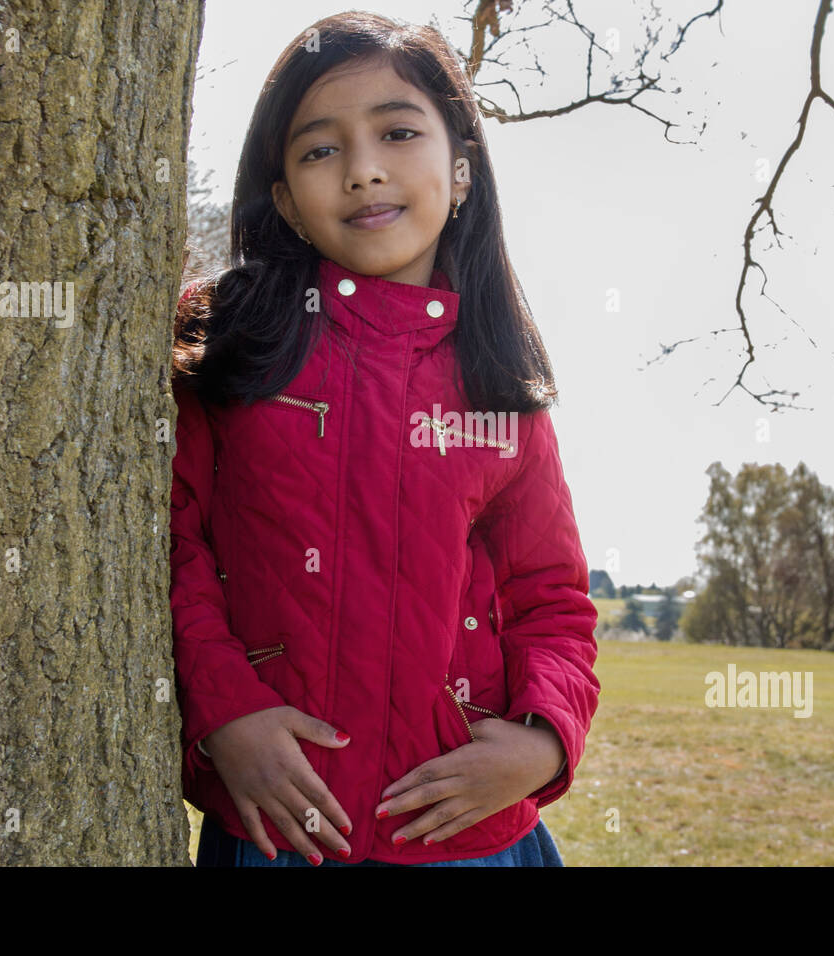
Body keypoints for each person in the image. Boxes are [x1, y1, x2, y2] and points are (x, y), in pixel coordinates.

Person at [169, 10, 599, 867]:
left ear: (462, 169)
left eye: (398, 132)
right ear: (285, 199)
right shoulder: (233, 353)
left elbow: (553, 600)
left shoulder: (500, 392)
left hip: (466, 836)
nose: (364, 170)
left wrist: (544, 743)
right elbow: (172, 545)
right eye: (320, 149)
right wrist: (225, 713)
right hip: (282, 825)